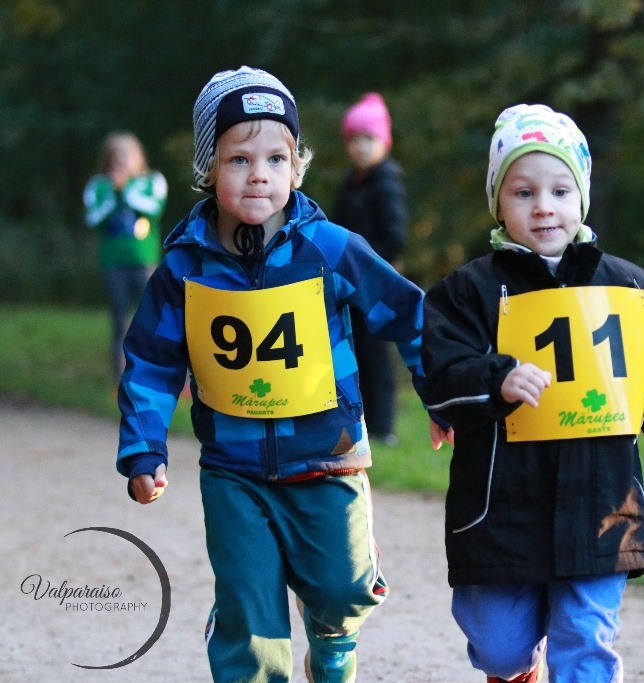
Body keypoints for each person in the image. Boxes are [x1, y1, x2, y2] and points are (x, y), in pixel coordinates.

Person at [114, 66, 436, 683]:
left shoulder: (330, 248)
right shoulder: (183, 267)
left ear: (297, 165)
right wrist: (143, 449)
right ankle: (240, 633)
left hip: (329, 458)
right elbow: (152, 361)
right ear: (209, 168)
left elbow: (406, 314)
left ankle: (333, 643)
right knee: (252, 616)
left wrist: (440, 393)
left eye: (276, 158)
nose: (259, 173)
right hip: (234, 471)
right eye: (238, 159)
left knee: (342, 591)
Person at [417, 104, 644, 683]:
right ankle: (517, 669)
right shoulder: (467, 292)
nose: (543, 207)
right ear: (498, 201)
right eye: (523, 192)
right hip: (499, 507)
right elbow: (439, 374)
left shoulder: (631, 288)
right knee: (498, 643)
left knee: (585, 641)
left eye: (560, 190)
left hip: (602, 504)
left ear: (581, 196)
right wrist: (494, 378)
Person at [332, 92, 407, 446]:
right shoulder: (351, 183)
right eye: (355, 139)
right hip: (349, 280)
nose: (361, 147)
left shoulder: (386, 181)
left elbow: (395, 235)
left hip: (375, 281)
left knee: (375, 352)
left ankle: (382, 425)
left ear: (383, 142)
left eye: (369, 138)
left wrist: (369, 265)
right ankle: (356, 417)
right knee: (353, 348)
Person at [82, 131, 168, 378]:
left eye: (127, 155)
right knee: (121, 322)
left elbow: (153, 209)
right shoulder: (98, 186)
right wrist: (113, 193)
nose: (121, 161)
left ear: (138, 156)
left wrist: (126, 187)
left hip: (145, 262)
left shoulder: (152, 180)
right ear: (108, 158)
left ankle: (159, 377)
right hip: (113, 264)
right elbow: (94, 219)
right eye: (116, 156)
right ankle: (121, 379)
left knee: (156, 320)